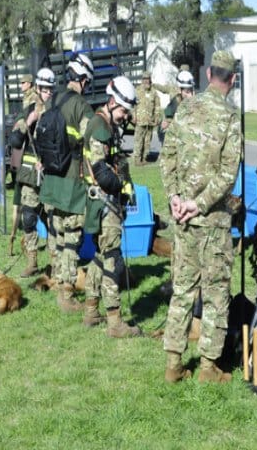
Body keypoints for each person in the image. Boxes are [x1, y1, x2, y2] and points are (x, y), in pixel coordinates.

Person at [160, 50, 242, 384]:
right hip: (212, 221)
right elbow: (228, 173)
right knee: (215, 292)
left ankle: (173, 363)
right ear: (232, 79)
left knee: (182, 289)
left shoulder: (185, 108)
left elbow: (167, 157)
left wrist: (176, 199)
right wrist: (200, 204)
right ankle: (208, 367)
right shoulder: (230, 116)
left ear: (209, 74)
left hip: (184, 220)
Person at [82, 75, 142, 337]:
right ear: (112, 101)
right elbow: (102, 173)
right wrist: (122, 187)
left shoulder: (107, 124)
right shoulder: (99, 127)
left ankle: (91, 310)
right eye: (123, 111)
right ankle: (115, 322)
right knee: (112, 259)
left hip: (102, 200)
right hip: (103, 202)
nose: (125, 117)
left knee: (97, 255)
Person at [38, 53, 96, 312]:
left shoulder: (51, 102)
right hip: (72, 181)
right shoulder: (81, 106)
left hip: (51, 180)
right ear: (82, 79)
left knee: (59, 236)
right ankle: (67, 294)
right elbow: (92, 144)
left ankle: (60, 283)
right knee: (72, 239)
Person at [9, 68, 56, 277]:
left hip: (51, 174)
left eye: (50, 90)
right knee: (28, 218)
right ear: (37, 88)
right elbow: (15, 141)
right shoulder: (28, 110)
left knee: (52, 219)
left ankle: (55, 262)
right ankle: (32, 261)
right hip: (30, 175)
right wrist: (29, 121)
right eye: (44, 89)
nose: (47, 93)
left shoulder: (57, 111)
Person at [132, 71, 161, 166]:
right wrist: (134, 116)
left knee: (147, 141)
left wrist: (157, 117)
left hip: (150, 121)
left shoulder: (153, 92)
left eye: (147, 79)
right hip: (140, 120)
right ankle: (137, 159)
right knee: (138, 141)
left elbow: (157, 106)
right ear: (142, 80)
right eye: (144, 79)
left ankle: (144, 158)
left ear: (150, 79)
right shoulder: (138, 91)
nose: (146, 81)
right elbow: (133, 105)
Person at [159, 70, 195, 144]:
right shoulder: (174, 104)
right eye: (187, 92)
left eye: (191, 91)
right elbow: (164, 127)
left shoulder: (196, 102)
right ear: (179, 90)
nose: (190, 95)